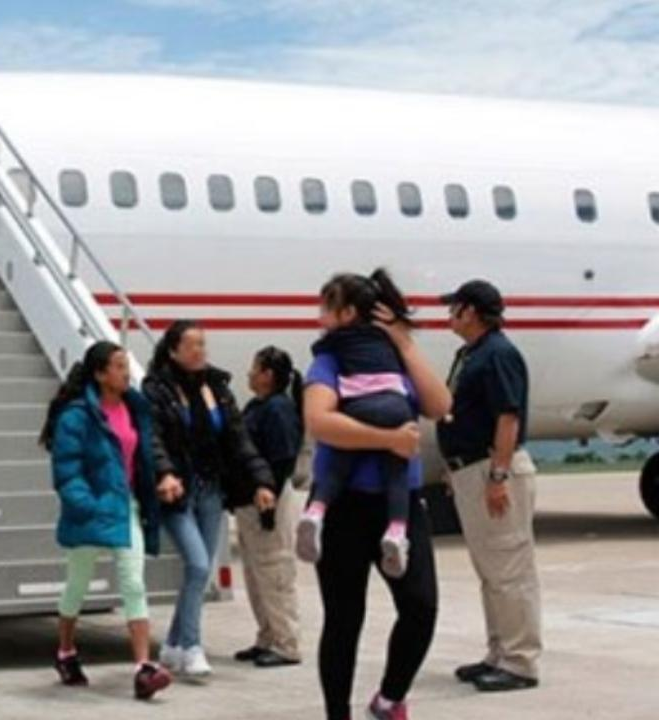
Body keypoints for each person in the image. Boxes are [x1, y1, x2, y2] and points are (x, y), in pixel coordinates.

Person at [305, 272, 452, 720]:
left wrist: (406, 344)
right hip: (344, 505)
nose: (319, 317)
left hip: (399, 504)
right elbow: (320, 421)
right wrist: (388, 439)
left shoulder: (396, 361)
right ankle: (337, 713)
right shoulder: (330, 361)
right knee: (344, 618)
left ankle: (389, 699)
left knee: (421, 606)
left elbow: (440, 405)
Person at [40, 341, 173, 701]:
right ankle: (65, 651)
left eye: (126, 365)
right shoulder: (76, 417)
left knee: (133, 583)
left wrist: (162, 478)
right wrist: (90, 505)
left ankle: (143, 668)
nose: (126, 373)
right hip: (91, 509)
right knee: (78, 584)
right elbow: (67, 472)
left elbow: (144, 455)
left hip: (126, 507)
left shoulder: (135, 408)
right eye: (118, 366)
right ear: (100, 374)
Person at [142, 320, 275, 676]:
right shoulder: (156, 390)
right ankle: (192, 646)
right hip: (177, 491)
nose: (200, 350)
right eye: (192, 344)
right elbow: (153, 439)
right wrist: (164, 472)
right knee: (200, 565)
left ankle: (172, 645)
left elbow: (238, 438)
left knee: (197, 572)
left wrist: (262, 480)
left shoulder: (217, 387)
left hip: (211, 489)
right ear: (173, 350)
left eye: (202, 343)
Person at [438, 279, 542, 693]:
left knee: (509, 570)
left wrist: (498, 476)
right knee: (492, 571)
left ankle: (520, 662)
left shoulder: (498, 354)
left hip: (493, 468)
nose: (449, 315)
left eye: (454, 308)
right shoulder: (471, 354)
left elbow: (507, 417)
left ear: (471, 312)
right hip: (473, 468)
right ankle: (499, 652)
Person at [297, 270, 420, 579]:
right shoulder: (391, 345)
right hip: (396, 407)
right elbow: (442, 407)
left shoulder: (330, 350)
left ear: (348, 313)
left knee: (340, 461)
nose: (320, 318)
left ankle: (316, 510)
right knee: (397, 474)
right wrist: (393, 439)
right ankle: (397, 531)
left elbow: (318, 421)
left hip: (359, 407)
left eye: (326, 310)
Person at [238, 346, 307, 669]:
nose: (249, 374)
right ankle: (267, 635)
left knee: (275, 570)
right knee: (256, 574)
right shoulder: (258, 406)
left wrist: (268, 502)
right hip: (250, 501)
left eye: (255, 368)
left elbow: (281, 461)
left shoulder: (278, 410)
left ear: (267, 374)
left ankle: (287, 643)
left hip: (269, 501)